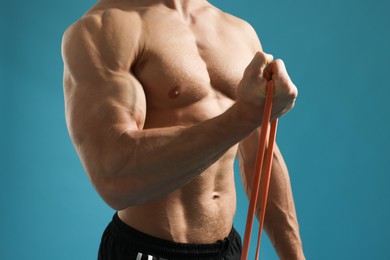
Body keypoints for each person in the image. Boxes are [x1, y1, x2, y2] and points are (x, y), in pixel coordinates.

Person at [62, 0, 305, 259]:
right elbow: (114, 175)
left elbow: (261, 155)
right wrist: (244, 116)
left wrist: (294, 256)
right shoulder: (103, 28)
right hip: (147, 250)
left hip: (229, 250)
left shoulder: (240, 32)